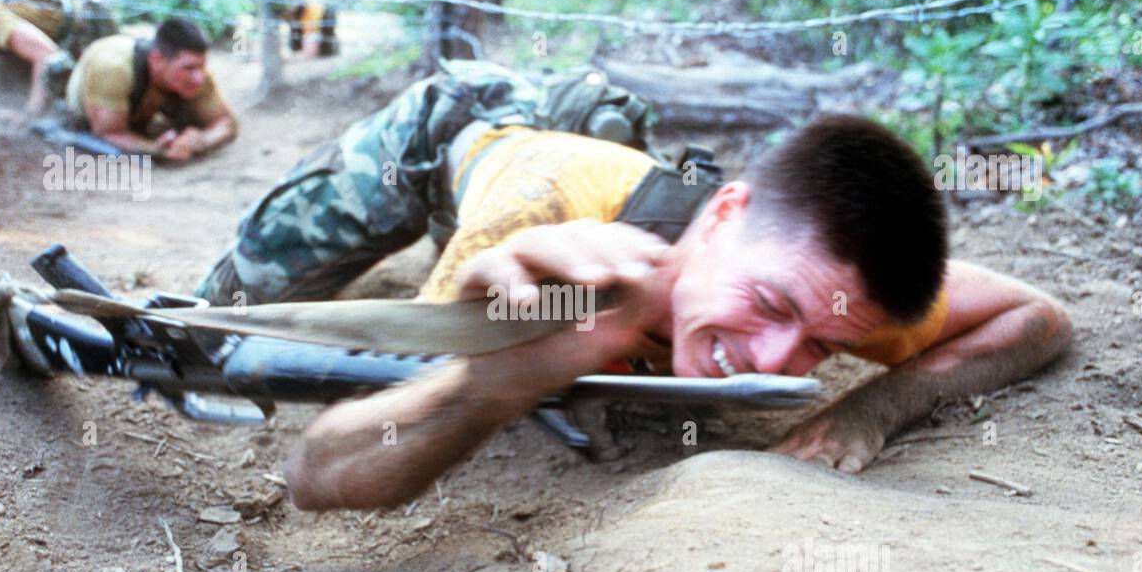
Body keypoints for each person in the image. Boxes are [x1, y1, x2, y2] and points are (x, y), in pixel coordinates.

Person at [191, 64, 1071, 509]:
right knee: (221, 309)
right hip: (446, 139)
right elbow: (319, 468)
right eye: (770, 308)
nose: (773, 361)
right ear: (726, 215)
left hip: (589, 142)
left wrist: (872, 407)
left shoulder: (825, 284)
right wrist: (491, 381)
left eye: (826, 349)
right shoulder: (541, 243)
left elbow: (1039, 317)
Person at [64, 18, 237, 162]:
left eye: (202, 66)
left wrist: (203, 140)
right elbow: (108, 132)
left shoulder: (195, 74)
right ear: (157, 60)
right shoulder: (113, 69)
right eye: (189, 68)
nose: (199, 77)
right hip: (86, 109)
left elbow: (227, 122)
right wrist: (155, 149)